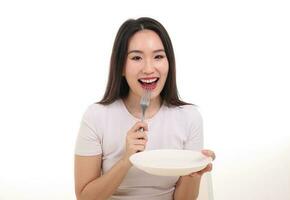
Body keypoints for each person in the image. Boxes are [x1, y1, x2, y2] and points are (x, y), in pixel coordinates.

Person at [74, 17, 216, 200]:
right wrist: (126, 160)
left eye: (158, 56)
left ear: (169, 63)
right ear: (121, 67)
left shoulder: (189, 118)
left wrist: (193, 174)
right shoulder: (96, 116)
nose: (149, 69)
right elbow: (84, 197)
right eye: (136, 58)